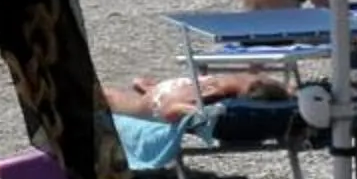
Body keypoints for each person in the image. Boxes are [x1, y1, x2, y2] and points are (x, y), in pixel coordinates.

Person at [100, 70, 286, 121]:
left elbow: (170, 111)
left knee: (105, 97)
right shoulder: (230, 86)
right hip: (158, 94)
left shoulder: (218, 94)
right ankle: (149, 88)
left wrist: (196, 111)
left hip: (152, 104)